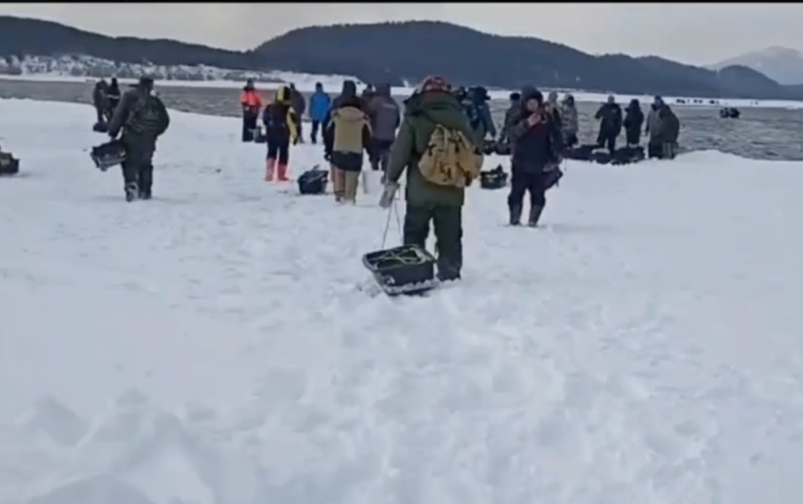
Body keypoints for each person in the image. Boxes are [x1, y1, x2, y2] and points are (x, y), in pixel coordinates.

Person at [379, 75, 481, 283]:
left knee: (415, 233)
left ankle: (414, 272)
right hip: (452, 188)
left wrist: (391, 179)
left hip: (420, 188)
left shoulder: (415, 116)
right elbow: (472, 148)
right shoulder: (460, 117)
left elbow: (400, 152)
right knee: (450, 235)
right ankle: (450, 273)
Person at [107, 76, 170, 202]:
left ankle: (131, 186)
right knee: (146, 163)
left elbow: (119, 115)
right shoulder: (155, 100)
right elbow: (165, 121)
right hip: (149, 138)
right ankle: (145, 190)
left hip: (132, 134)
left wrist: (113, 132)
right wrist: (154, 133)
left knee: (129, 161)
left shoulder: (130, 96)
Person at [506, 86, 562, 227]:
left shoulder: (547, 118)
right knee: (516, 193)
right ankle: (514, 219)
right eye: (529, 102)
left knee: (538, 195)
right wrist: (527, 124)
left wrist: (556, 157)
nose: (532, 105)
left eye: (535, 102)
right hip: (520, 162)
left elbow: (558, 136)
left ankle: (533, 220)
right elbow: (511, 135)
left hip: (540, 163)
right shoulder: (518, 117)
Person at [323, 86, 372, 204]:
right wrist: (365, 148)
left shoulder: (336, 116)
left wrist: (328, 149)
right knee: (352, 173)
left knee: (339, 170)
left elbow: (328, 134)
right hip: (355, 150)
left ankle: (339, 194)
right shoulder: (363, 119)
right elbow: (368, 136)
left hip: (338, 148)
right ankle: (350, 196)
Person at [262, 85, 299, 182]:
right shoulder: (289, 109)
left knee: (271, 153)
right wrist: (295, 136)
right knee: (283, 154)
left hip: (271, 134)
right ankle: (281, 176)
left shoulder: (269, 107)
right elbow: (292, 124)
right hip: (283, 135)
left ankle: (269, 174)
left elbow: (265, 120)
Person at [367, 82, 400, 174]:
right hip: (390, 137)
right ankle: (385, 176)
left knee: (375, 159)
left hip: (376, 136)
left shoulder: (375, 101)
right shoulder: (394, 104)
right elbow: (397, 122)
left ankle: (375, 175)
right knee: (387, 159)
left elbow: (369, 114)